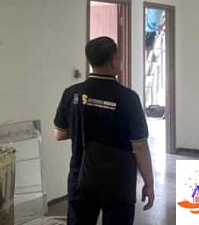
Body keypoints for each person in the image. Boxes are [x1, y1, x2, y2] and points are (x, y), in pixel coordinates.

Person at [54, 36, 154, 225]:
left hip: (80, 176)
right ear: (115, 61)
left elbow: (59, 134)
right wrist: (149, 183)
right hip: (118, 181)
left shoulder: (72, 93)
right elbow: (140, 146)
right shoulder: (128, 98)